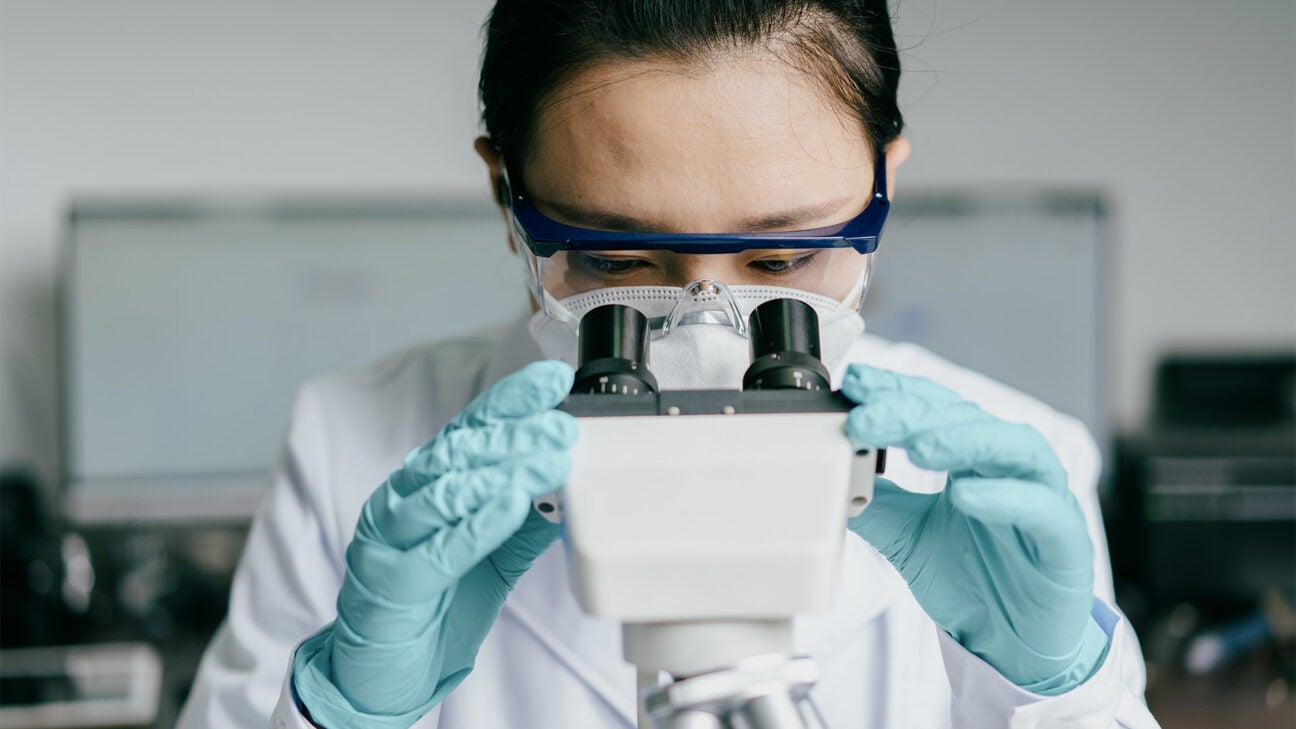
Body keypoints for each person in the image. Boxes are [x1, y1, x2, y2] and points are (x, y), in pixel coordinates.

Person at [177, 2, 1161, 727]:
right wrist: (343, 709)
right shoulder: (352, 448)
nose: (707, 333)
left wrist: (1065, 686)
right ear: (505, 196)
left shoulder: (1014, 474)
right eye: (615, 261)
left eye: (779, 261)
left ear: (881, 187)